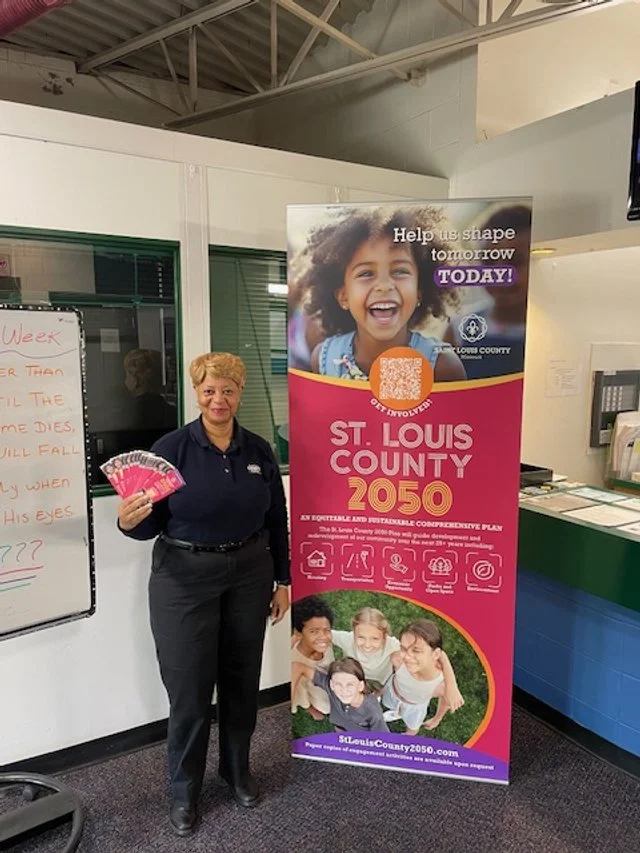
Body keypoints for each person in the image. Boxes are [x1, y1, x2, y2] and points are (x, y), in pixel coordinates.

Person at [116, 352, 290, 837]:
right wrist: (127, 521)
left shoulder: (257, 450)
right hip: (183, 579)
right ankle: (184, 791)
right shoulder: (170, 449)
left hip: (250, 575)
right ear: (196, 393)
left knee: (241, 681)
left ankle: (236, 771)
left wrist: (283, 580)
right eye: (210, 390)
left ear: (240, 393)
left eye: (228, 390)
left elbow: (276, 519)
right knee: (190, 691)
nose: (219, 399)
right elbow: (146, 524)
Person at [299, 206, 466, 382]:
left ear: (419, 290)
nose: (384, 286)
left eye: (400, 271)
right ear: (344, 296)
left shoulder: (443, 367)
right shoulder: (324, 361)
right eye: (366, 273)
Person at [444, 205, 531, 380]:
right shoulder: (460, 328)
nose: (499, 274)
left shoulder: (551, 331)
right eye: (489, 261)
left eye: (515, 261)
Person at [382, 619, 463, 735]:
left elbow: (446, 701)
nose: (407, 657)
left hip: (414, 707)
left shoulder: (440, 684)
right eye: (403, 649)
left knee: (412, 729)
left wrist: (436, 719)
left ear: (435, 654)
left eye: (416, 651)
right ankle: (397, 712)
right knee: (388, 703)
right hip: (393, 692)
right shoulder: (397, 659)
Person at [291, 657, 390, 733]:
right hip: (340, 728)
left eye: (350, 684)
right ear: (331, 684)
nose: (344, 690)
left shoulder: (372, 711)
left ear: (360, 686)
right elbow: (297, 666)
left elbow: (383, 740)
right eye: (338, 684)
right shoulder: (332, 688)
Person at [290, 595, 335, 721]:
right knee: (327, 708)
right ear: (298, 634)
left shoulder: (324, 644)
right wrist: (309, 708)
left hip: (331, 679)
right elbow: (299, 695)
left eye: (326, 630)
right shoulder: (296, 664)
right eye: (314, 631)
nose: (323, 637)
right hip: (316, 694)